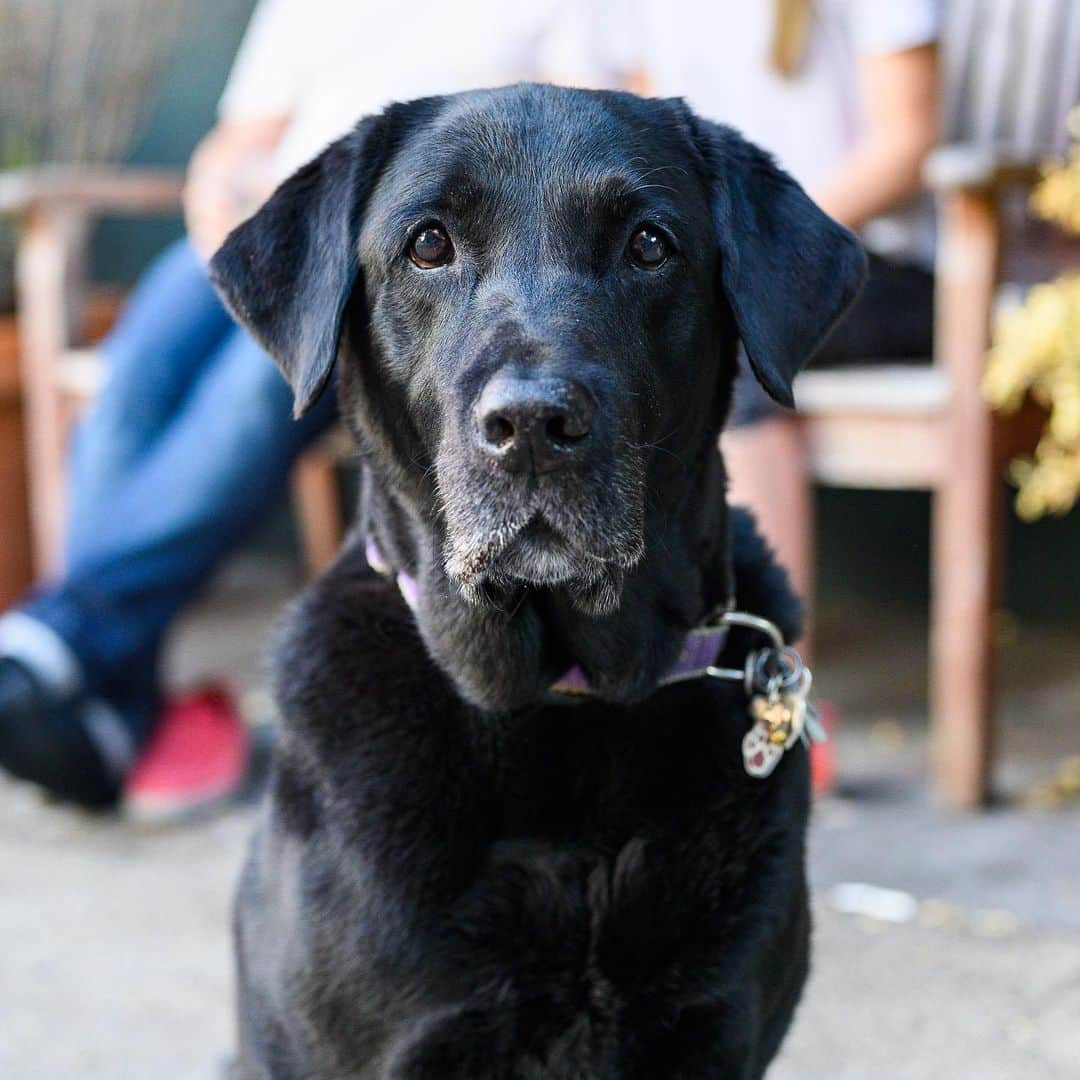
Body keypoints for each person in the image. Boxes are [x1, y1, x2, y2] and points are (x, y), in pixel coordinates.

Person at [0, 0, 606, 813]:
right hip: (264, 222)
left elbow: (568, 130)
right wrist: (221, 199)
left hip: (394, 249)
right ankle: (111, 689)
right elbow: (234, 145)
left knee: (259, 385)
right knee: (126, 386)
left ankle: (71, 643)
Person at [596, 0, 942, 654]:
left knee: (726, 348)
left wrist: (763, 245)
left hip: (873, 262)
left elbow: (906, 142)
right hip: (725, 265)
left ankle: (777, 686)